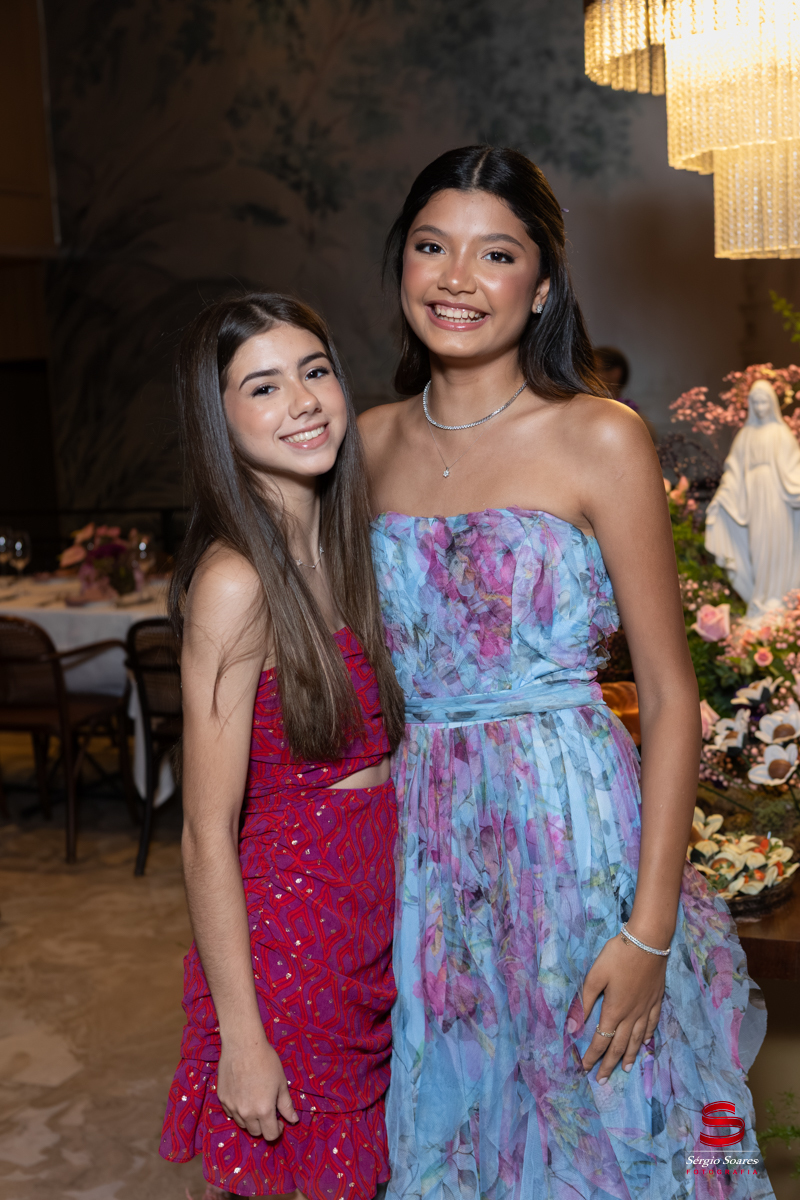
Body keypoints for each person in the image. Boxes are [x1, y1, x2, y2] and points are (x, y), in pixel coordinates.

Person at [359, 147, 772, 1199]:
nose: (457, 278)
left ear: (540, 286)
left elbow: (668, 695)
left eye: (495, 254)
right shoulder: (362, 447)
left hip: (575, 840)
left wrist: (650, 931)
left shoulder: (598, 436)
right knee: (458, 1124)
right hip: (426, 849)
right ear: (401, 263)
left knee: (612, 1132)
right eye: (432, 246)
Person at [159, 293, 405, 1200]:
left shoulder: (343, 548)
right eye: (262, 387)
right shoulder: (236, 581)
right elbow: (204, 833)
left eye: (315, 371)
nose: (302, 401)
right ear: (218, 420)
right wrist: (242, 1036)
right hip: (293, 938)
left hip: (368, 916)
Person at [706, 378, 800, 616]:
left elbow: (794, 468)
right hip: (754, 499)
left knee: (777, 544)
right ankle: (761, 597)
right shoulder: (745, 436)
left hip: (777, 497)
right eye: (755, 402)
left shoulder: (781, 433)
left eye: (763, 402)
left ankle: (778, 598)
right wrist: (722, 496)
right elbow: (733, 471)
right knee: (758, 546)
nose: (759, 407)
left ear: (772, 403)